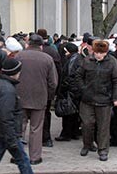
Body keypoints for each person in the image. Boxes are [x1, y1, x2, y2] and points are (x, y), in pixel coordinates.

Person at [72, 39, 117, 161]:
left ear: (106, 52)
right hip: (87, 99)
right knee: (87, 124)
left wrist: (116, 97)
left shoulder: (112, 62)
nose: (99, 55)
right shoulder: (87, 61)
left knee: (103, 126)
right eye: (97, 53)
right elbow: (78, 76)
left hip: (104, 99)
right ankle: (87, 144)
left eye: (102, 53)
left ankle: (103, 150)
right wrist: (83, 89)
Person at [15, 34, 58, 164]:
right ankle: (34, 157)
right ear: (41, 45)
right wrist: (48, 95)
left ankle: (18, 156)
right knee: (36, 128)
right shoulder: (47, 59)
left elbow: (11, 76)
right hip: (39, 98)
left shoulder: (19, 56)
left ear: (28, 43)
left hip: (20, 97)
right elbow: (53, 82)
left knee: (19, 128)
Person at [36, 29, 62, 148]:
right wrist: (55, 89)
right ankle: (46, 138)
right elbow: (58, 71)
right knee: (45, 113)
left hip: (34, 88)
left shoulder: (28, 52)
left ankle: (36, 137)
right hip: (47, 88)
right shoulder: (52, 51)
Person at [55, 42, 81, 142]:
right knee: (74, 113)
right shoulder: (78, 58)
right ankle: (74, 132)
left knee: (67, 113)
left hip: (69, 91)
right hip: (74, 91)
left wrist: (63, 89)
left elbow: (69, 77)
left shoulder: (71, 61)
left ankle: (66, 133)